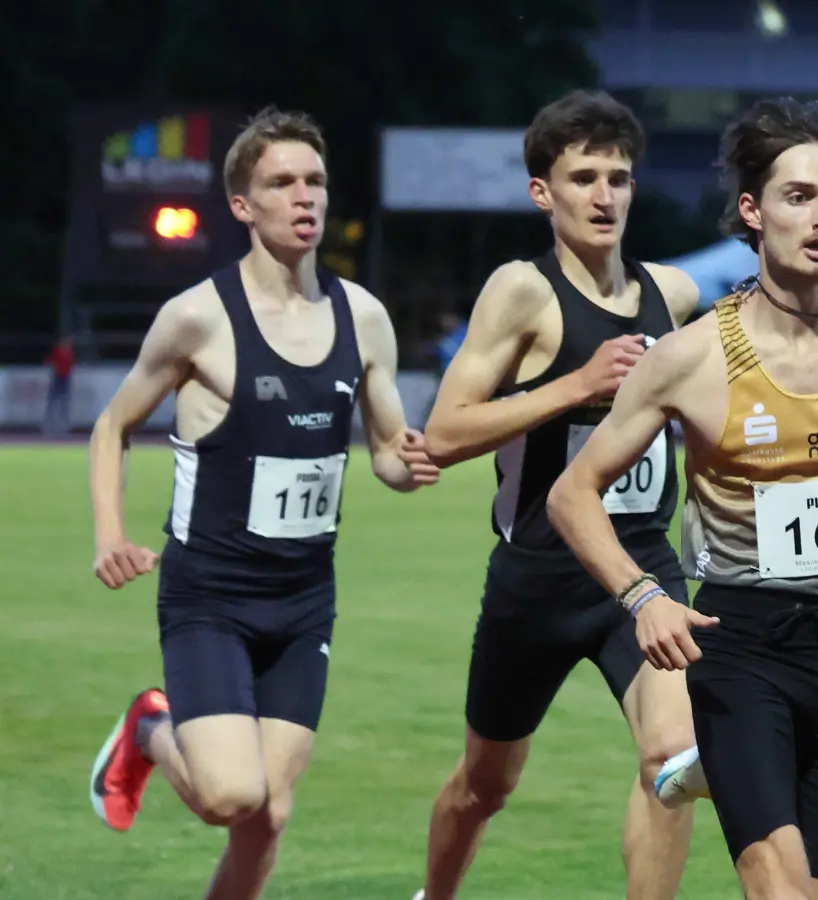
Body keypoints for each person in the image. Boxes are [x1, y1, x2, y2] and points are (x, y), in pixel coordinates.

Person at [547, 96, 818, 900]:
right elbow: (573, 493)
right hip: (741, 644)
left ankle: (716, 768)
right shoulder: (691, 358)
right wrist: (643, 597)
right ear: (752, 210)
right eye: (799, 196)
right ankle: (728, 755)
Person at [86, 107, 441, 900]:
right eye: (282, 183)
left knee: (267, 816)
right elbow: (112, 425)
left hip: (305, 601)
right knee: (229, 797)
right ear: (243, 205)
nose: (304, 196)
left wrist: (407, 466)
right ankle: (149, 729)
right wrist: (111, 533)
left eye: (315, 180)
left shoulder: (363, 317)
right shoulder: (198, 318)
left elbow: (387, 450)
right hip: (210, 597)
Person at [414, 89, 704, 900]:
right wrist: (576, 384)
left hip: (638, 567)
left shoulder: (673, 295)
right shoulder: (522, 292)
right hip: (537, 579)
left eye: (619, 177)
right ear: (543, 192)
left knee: (672, 761)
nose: (604, 195)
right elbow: (444, 432)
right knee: (484, 786)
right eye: (583, 178)